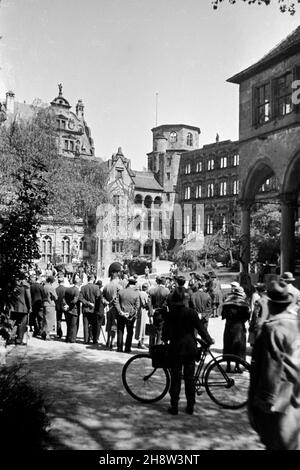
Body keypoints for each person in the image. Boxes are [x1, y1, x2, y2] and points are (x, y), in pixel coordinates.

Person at [248, 280, 300, 450]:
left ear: (270, 303)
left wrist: (264, 402)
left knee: (277, 439)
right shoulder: (296, 324)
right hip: (295, 392)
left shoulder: (272, 328)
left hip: (280, 396)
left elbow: (271, 367)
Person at [162, 286, 214, 415]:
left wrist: (166, 338)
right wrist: (208, 340)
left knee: (176, 378)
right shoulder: (191, 313)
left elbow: (165, 334)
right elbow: (201, 329)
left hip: (175, 349)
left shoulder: (170, 314)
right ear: (185, 300)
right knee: (189, 378)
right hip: (190, 349)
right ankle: (190, 405)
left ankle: (174, 406)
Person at [221, 283, 250, 372]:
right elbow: (247, 316)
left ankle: (229, 366)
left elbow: (223, 314)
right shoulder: (243, 303)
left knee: (228, 344)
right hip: (239, 326)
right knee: (239, 346)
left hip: (229, 325)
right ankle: (237, 366)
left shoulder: (227, 302)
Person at [115, 276, 140, 353]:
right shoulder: (136, 293)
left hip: (121, 315)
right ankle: (127, 348)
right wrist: (129, 314)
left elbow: (116, 302)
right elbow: (137, 306)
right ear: (134, 284)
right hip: (130, 316)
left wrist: (120, 311)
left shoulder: (120, 292)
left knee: (120, 330)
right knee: (130, 332)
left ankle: (119, 348)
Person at [102, 262, 123, 349]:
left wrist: (106, 302)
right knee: (114, 325)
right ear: (116, 274)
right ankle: (112, 342)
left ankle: (107, 340)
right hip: (115, 308)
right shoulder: (119, 286)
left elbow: (102, 297)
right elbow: (120, 298)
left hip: (108, 308)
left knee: (109, 324)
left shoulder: (106, 286)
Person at [79, 274, 102, 345]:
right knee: (94, 325)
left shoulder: (83, 287)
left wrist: (87, 303)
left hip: (85, 308)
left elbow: (80, 298)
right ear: (93, 279)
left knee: (85, 325)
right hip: (94, 309)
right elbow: (98, 298)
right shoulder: (96, 287)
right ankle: (94, 339)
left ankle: (86, 339)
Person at [10, 274, 32, 345]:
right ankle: (19, 340)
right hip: (23, 308)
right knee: (22, 324)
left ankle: (12, 337)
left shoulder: (14, 287)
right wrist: (30, 307)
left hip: (15, 308)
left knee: (15, 323)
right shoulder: (26, 287)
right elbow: (28, 298)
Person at [148, 276, 170, 346]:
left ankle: (151, 348)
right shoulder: (166, 291)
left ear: (157, 281)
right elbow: (168, 303)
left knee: (152, 331)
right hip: (162, 313)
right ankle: (158, 347)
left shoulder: (152, 290)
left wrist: (151, 312)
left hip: (153, 312)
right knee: (160, 331)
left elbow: (149, 302)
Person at [248, 283, 268, 347]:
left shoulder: (259, 301)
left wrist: (253, 324)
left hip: (260, 323)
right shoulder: (270, 300)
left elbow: (256, 314)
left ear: (259, 292)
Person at [64, 277, 81, 343]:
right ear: (78, 283)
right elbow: (75, 301)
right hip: (74, 310)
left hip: (68, 310)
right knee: (74, 325)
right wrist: (69, 305)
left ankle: (67, 338)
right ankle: (72, 339)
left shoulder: (68, 289)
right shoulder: (77, 290)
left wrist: (66, 304)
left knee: (68, 325)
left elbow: (64, 298)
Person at [41, 275, 57, 340]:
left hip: (44, 303)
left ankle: (43, 333)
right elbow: (56, 297)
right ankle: (48, 335)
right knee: (50, 321)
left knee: (45, 320)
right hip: (50, 304)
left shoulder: (43, 286)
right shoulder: (51, 287)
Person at [135, 283, 149, 349]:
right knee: (142, 327)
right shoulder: (145, 294)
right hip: (143, 311)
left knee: (139, 326)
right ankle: (141, 342)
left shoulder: (138, 293)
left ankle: (139, 341)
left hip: (138, 311)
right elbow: (145, 304)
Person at [55, 275, 67, 339]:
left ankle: (59, 333)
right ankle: (68, 333)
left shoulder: (56, 289)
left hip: (58, 306)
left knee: (58, 320)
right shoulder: (66, 289)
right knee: (67, 320)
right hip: (64, 306)